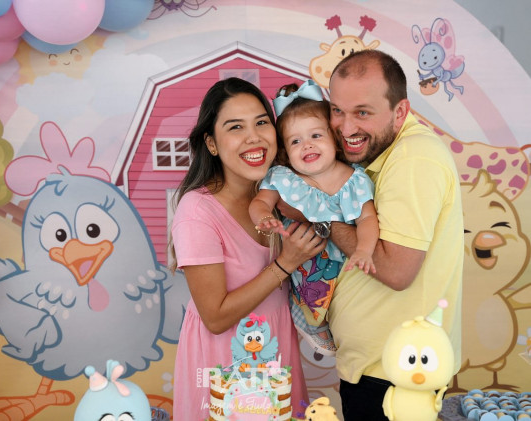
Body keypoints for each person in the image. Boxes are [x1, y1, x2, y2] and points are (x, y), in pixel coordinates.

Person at [169, 77, 327, 420]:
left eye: (261, 123)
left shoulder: (280, 196)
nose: (253, 137)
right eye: (235, 127)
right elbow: (215, 317)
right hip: (225, 366)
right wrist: (285, 264)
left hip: (275, 355)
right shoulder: (197, 211)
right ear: (211, 143)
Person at [326, 50, 463, 420]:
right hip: (379, 370)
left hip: (396, 376)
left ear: (400, 112)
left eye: (362, 113)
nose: (345, 128)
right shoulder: (382, 154)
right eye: (337, 110)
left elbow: (397, 271)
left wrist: (322, 218)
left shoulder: (413, 157)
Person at [249, 79, 379, 357]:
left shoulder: (354, 180)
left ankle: (334, 320)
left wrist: (365, 250)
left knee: (356, 298)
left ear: (335, 139)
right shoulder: (285, 178)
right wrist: (264, 217)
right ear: (285, 151)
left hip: (349, 270)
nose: (306, 145)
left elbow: (368, 219)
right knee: (309, 290)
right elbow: (261, 201)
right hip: (306, 266)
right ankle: (311, 321)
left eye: (316, 136)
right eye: (295, 141)